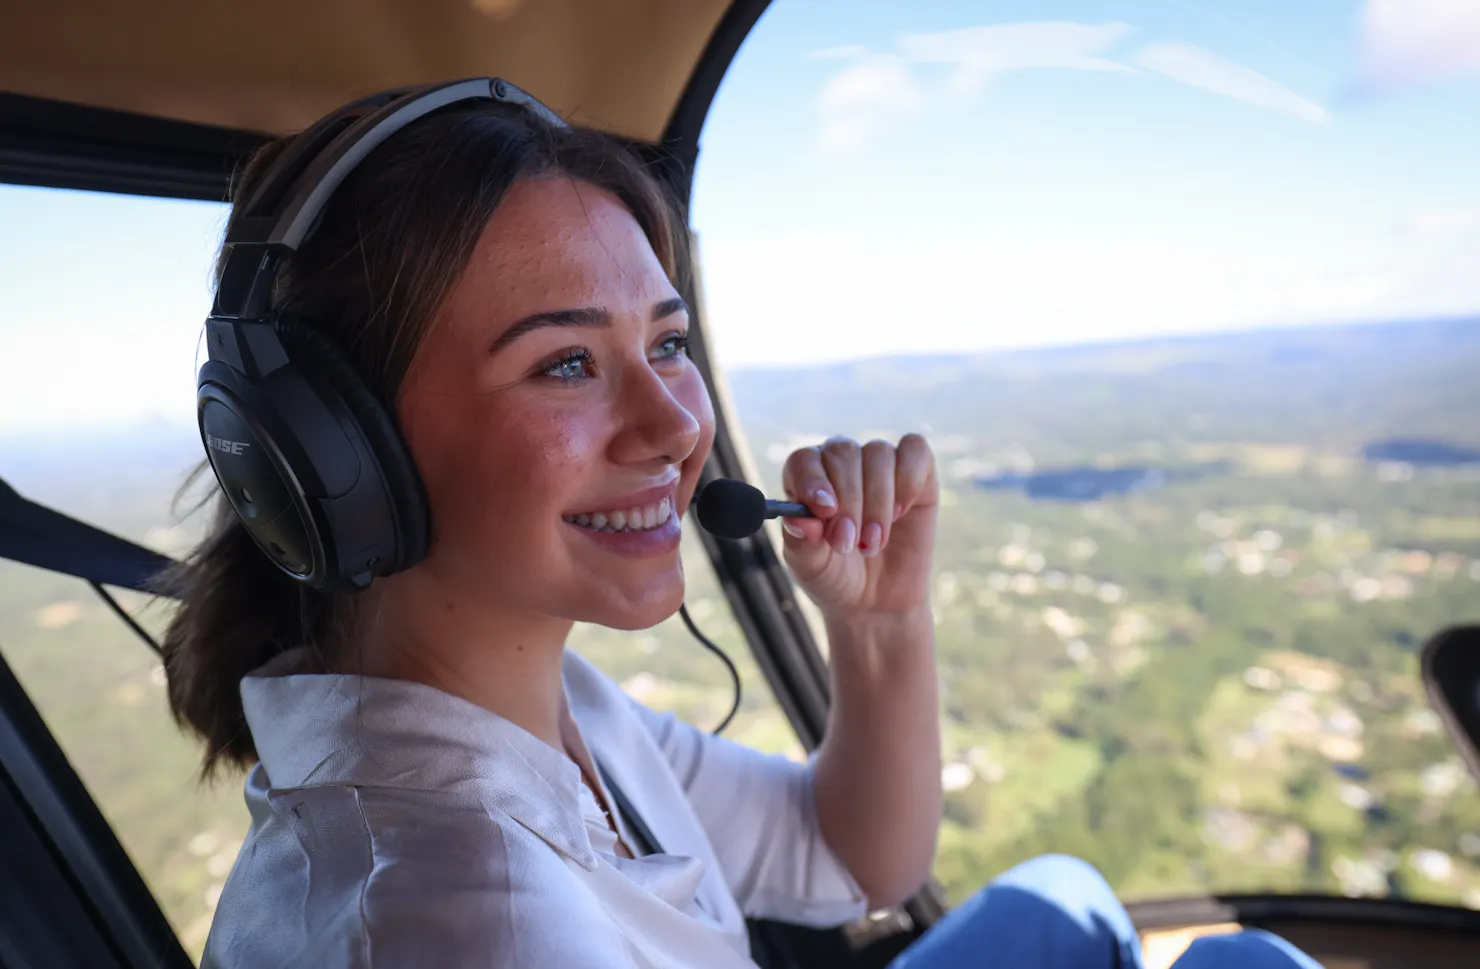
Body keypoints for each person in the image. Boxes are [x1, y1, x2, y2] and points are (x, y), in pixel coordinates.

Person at [161, 83, 1320, 969]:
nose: (674, 424)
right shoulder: (460, 920)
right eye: (566, 363)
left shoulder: (557, 716)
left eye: (666, 343)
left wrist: (880, 625)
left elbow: (849, 854)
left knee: (1066, 893)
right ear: (333, 450)